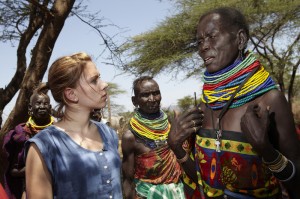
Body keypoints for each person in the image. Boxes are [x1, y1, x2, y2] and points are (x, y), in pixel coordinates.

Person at [168, 7, 300, 199]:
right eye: (200, 41)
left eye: (212, 36)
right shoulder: (205, 107)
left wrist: (268, 152)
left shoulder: (269, 101)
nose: (203, 46)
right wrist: (176, 146)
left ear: (240, 39)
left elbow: (297, 182)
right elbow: (203, 181)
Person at [25, 52, 122, 198]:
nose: (104, 84)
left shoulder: (109, 134)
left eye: (99, 77)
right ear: (71, 94)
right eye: (94, 80)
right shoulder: (44, 146)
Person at [122, 76, 198, 199]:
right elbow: (127, 179)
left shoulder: (172, 124)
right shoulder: (130, 137)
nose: (152, 99)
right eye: (145, 95)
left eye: (156, 93)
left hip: (180, 192)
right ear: (134, 101)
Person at [3, 86, 54, 199]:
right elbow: (13, 171)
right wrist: (36, 168)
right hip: (30, 192)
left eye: (45, 104)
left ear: (50, 107)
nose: (42, 107)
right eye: (38, 103)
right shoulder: (20, 135)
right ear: (30, 107)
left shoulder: (59, 133)